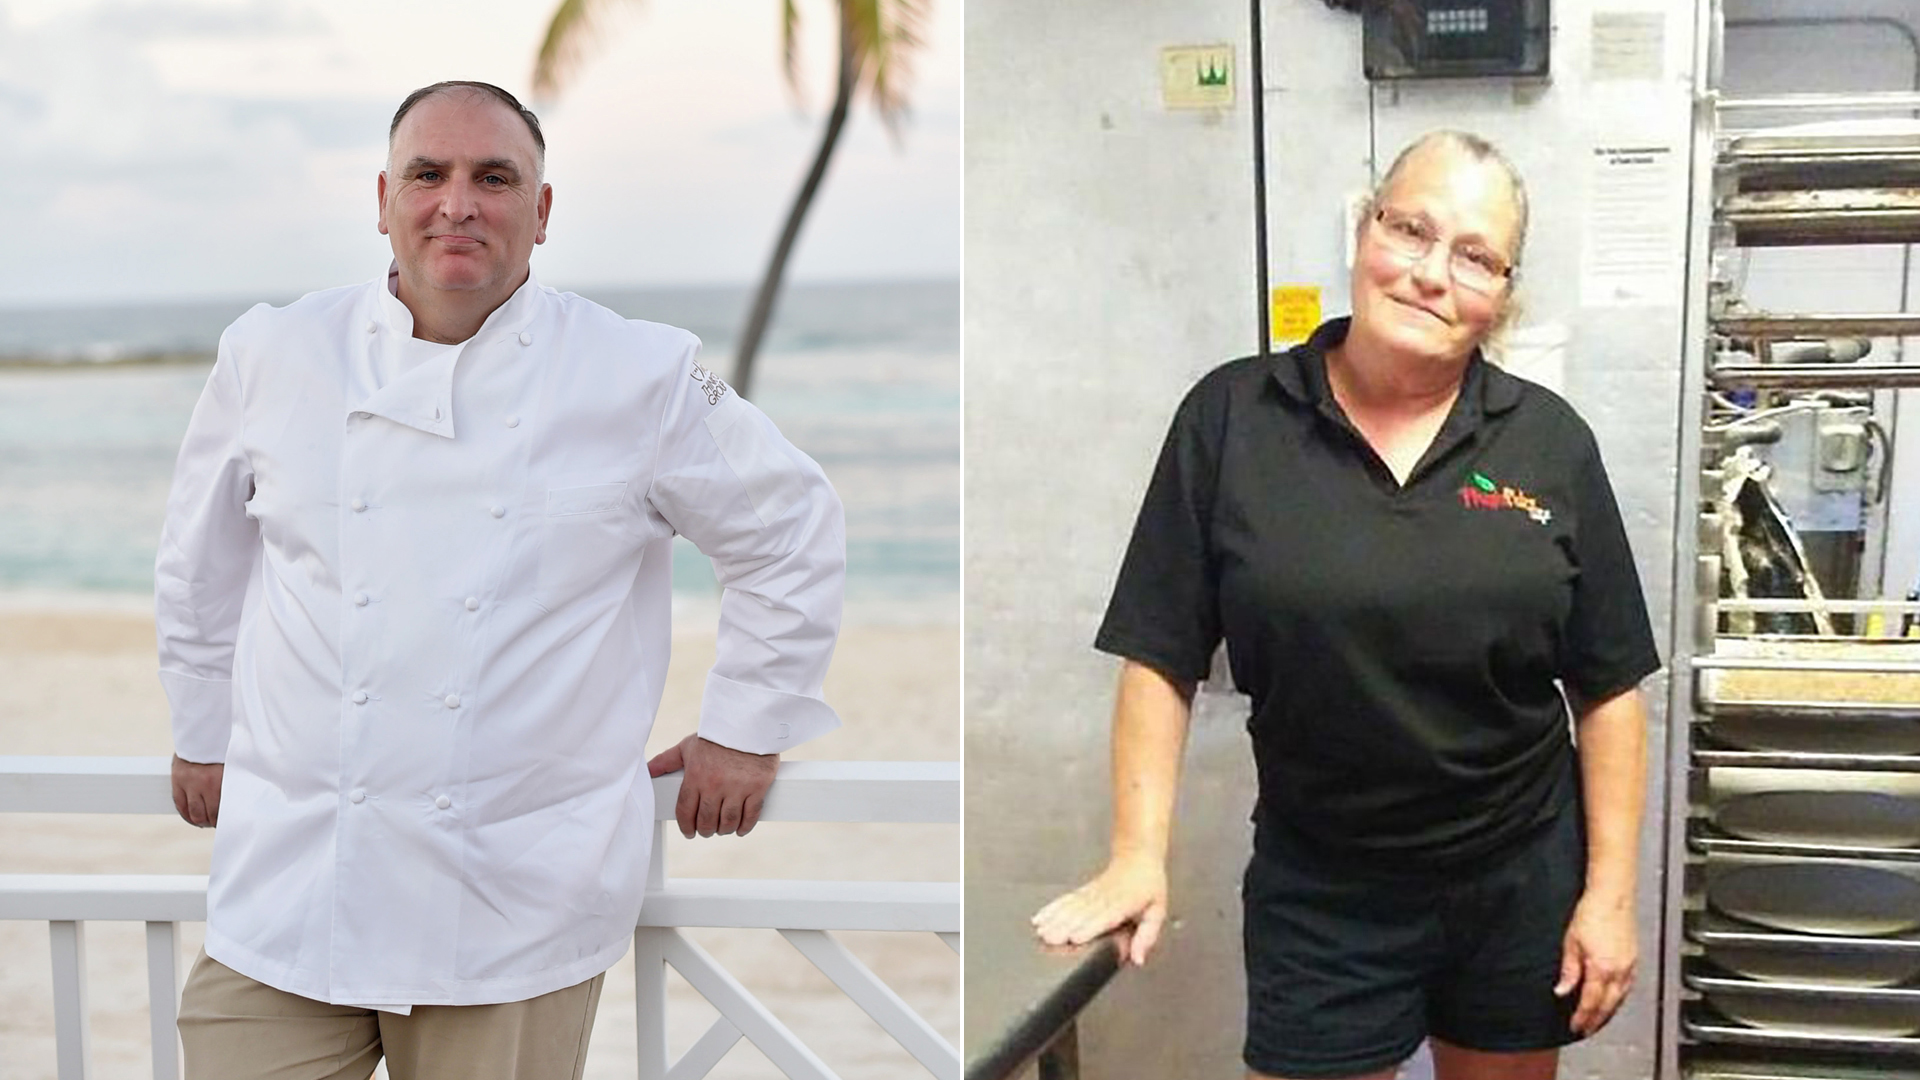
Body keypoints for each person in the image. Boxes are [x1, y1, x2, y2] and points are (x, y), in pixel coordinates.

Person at [157, 80, 844, 1080]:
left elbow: (789, 526)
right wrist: (200, 728)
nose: (457, 204)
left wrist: (747, 723)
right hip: (292, 883)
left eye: (495, 177)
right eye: (428, 175)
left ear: (543, 210)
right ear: (383, 198)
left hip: (505, 906)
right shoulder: (272, 352)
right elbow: (201, 558)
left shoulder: (638, 373)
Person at [1032, 130, 1660, 1080]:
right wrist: (1135, 854)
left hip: (1518, 876)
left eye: (1476, 257)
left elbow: (1609, 686)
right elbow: (1160, 654)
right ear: (1364, 230)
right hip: (1323, 882)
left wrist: (1608, 897)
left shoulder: (1549, 443)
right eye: (1411, 229)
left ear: (1503, 296)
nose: (1431, 274)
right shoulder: (1232, 419)